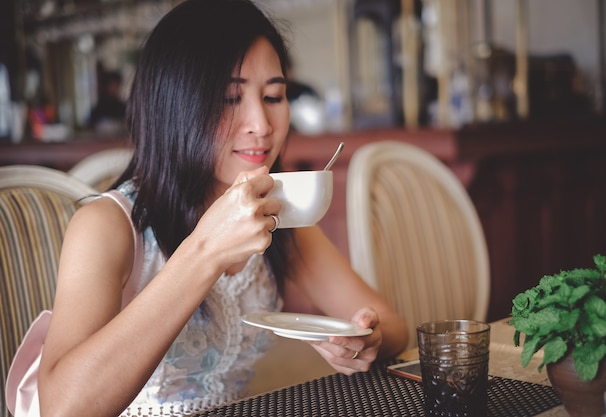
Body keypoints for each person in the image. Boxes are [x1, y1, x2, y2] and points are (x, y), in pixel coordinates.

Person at [37, 1, 408, 416]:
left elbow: (392, 326)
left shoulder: (279, 214)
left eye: (273, 96)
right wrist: (207, 250)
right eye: (231, 97)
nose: (262, 124)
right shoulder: (106, 226)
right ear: (174, 106)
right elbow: (63, 409)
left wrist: (365, 342)